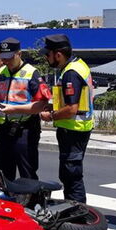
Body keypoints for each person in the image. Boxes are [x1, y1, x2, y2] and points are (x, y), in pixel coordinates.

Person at [0, 37, 51, 181]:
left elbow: (41, 104)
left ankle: (29, 202)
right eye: (3, 58)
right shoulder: (2, 72)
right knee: (4, 173)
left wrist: (14, 110)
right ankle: (8, 201)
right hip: (3, 130)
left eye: (9, 58)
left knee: (27, 172)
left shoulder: (31, 73)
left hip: (25, 130)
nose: (6, 62)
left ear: (19, 54)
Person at [38, 34, 93, 203]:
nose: (46, 58)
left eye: (48, 55)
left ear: (58, 54)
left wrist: (51, 115)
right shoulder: (78, 65)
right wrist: (54, 106)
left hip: (73, 130)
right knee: (69, 174)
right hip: (77, 129)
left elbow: (71, 109)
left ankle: (78, 217)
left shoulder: (70, 73)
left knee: (71, 176)